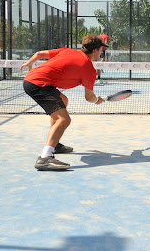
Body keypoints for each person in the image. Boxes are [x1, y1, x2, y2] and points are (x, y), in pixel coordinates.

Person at [21, 35, 109, 171]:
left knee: (63, 101)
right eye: (101, 50)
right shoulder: (88, 68)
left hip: (32, 80)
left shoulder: (68, 51)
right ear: (94, 51)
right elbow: (89, 97)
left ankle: (54, 144)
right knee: (64, 119)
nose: (101, 52)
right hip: (38, 85)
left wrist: (29, 63)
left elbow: (39, 54)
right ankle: (45, 158)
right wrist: (97, 100)